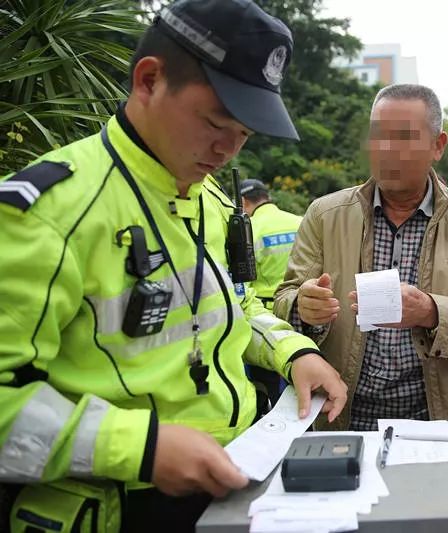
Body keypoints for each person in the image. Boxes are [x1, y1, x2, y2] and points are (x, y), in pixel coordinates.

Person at [0, 1, 348, 530]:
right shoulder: (50, 212)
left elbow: (234, 304)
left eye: (246, 135)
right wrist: (141, 446)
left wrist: (291, 351)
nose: (229, 149)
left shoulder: (210, 201)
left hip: (225, 489)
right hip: (114, 505)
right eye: (215, 123)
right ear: (148, 80)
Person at [273, 84, 448, 432]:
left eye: (404, 137)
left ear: (437, 145)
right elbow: (283, 298)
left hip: (433, 415)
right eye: (378, 136)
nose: (387, 150)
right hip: (341, 412)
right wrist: (303, 308)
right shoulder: (326, 215)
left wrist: (430, 311)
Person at [240, 179, 303, 312]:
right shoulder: (300, 221)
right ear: (267, 197)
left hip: (267, 312)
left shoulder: (247, 228)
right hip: (302, 307)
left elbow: (242, 284)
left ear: (243, 202)